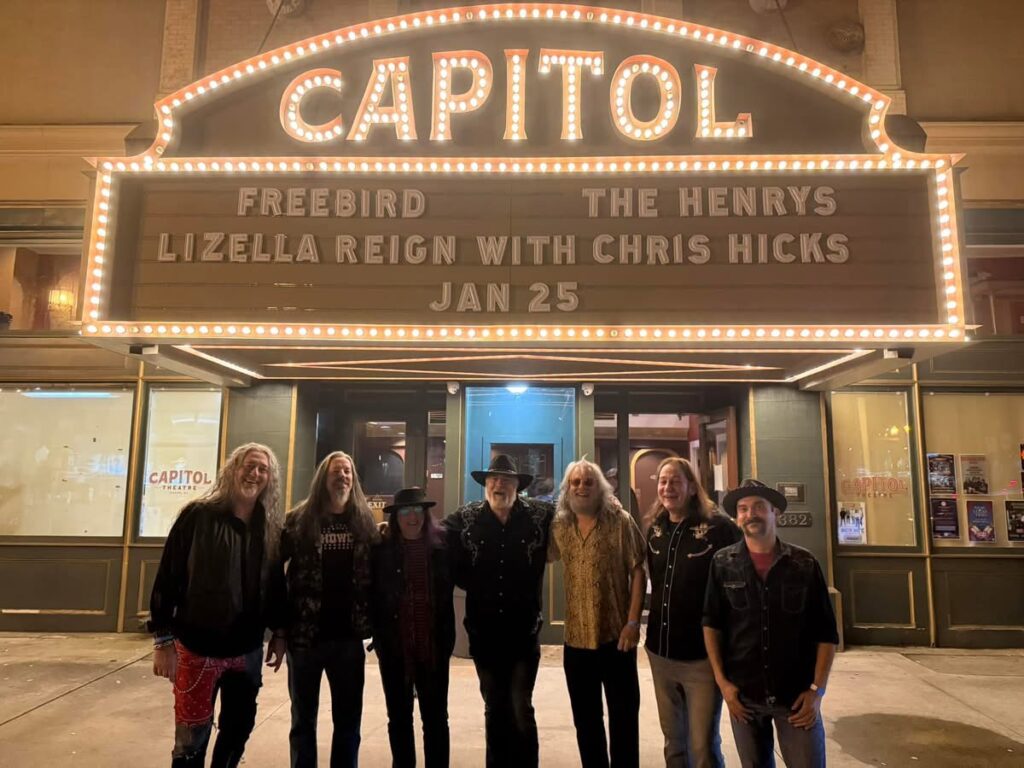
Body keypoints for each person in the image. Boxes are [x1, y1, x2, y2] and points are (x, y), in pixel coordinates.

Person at [149, 442, 285, 768]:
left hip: (247, 650)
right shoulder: (197, 516)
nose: (255, 474)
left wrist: (280, 633)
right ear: (232, 469)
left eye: (263, 469)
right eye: (249, 466)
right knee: (191, 739)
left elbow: (275, 585)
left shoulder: (268, 528)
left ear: (270, 478)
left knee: (239, 729)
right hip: (199, 647)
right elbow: (168, 575)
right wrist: (163, 640)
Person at [703, 479, 839, 768]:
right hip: (744, 697)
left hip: (796, 698)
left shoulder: (804, 564)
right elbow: (712, 626)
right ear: (736, 517)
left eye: (758, 507)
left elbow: (826, 633)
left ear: (775, 512)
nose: (750, 514)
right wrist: (723, 684)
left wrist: (817, 691)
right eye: (743, 509)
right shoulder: (722, 563)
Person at [269, 451, 380, 768]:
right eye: (336, 472)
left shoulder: (364, 521)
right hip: (305, 638)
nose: (342, 476)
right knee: (303, 720)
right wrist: (279, 630)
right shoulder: (298, 520)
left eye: (347, 472)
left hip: (348, 639)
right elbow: (273, 572)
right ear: (323, 478)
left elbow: (378, 574)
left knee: (349, 721)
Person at [444, 453, 554, 768]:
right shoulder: (465, 519)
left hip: (524, 633)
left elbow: (577, 513)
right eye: (493, 479)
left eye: (506, 480)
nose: (499, 485)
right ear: (485, 484)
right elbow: (432, 535)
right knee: (495, 708)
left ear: (518, 485)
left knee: (521, 707)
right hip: (484, 634)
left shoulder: (540, 516)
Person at [645, 457, 741, 768]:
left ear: (691, 487)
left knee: (703, 747)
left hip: (701, 657)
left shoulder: (719, 528)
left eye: (675, 481)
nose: (667, 487)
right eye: (663, 481)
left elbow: (740, 581)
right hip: (660, 652)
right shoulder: (655, 529)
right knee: (674, 743)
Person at [549, 458, 645, 768]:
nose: (582, 487)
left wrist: (633, 622)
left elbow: (638, 570)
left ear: (601, 487)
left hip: (617, 638)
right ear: (567, 488)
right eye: (575, 482)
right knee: (586, 722)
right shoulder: (559, 526)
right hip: (576, 641)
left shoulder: (620, 521)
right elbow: (540, 553)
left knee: (624, 719)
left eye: (588, 482)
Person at [371, 487, 455, 768]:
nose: (412, 517)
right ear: (395, 517)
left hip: (434, 649)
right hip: (395, 650)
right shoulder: (380, 550)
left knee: (436, 719)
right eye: (405, 511)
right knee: (399, 718)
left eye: (417, 510)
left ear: (425, 514)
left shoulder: (443, 547)